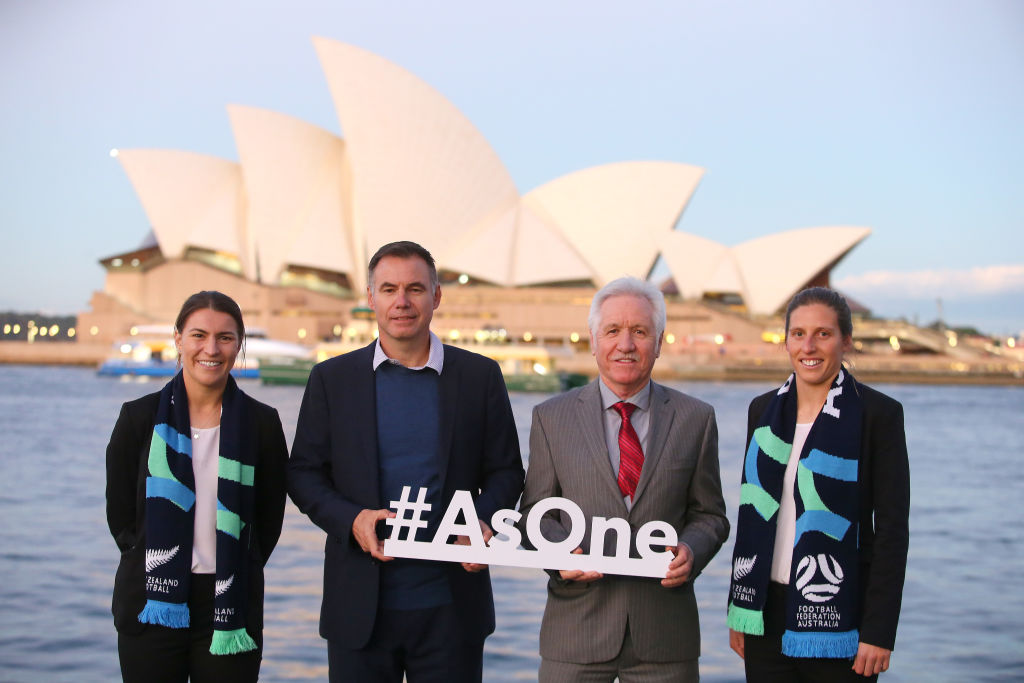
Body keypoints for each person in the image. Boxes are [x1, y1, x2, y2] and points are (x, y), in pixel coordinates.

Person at [287, 240, 524, 682]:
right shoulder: (331, 379)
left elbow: (507, 471)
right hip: (359, 606)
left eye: (415, 288)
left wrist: (482, 524)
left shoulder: (479, 377)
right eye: (390, 288)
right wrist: (351, 518)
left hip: (452, 609)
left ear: (436, 296)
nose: (402, 301)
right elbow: (303, 474)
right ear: (371, 298)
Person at [518, 276, 730, 682]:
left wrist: (691, 549)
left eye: (639, 331)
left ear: (660, 341)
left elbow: (711, 515)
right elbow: (534, 514)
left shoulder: (696, 419)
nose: (626, 344)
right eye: (612, 331)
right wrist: (559, 555)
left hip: (665, 637)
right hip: (576, 631)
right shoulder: (551, 417)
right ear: (594, 340)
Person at [727, 287, 910, 682]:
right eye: (798, 334)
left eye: (823, 334)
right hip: (764, 613)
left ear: (846, 340)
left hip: (842, 616)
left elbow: (892, 533)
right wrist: (741, 607)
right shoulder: (762, 410)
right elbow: (753, 514)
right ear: (787, 340)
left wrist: (879, 632)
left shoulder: (878, 415)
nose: (808, 346)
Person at [105, 291, 288, 682]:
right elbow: (120, 514)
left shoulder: (262, 424)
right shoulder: (138, 418)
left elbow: (269, 520)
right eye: (199, 335)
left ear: (239, 344)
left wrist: (239, 564)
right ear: (178, 339)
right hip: (151, 600)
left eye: (225, 337)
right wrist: (153, 559)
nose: (211, 348)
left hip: (229, 604)